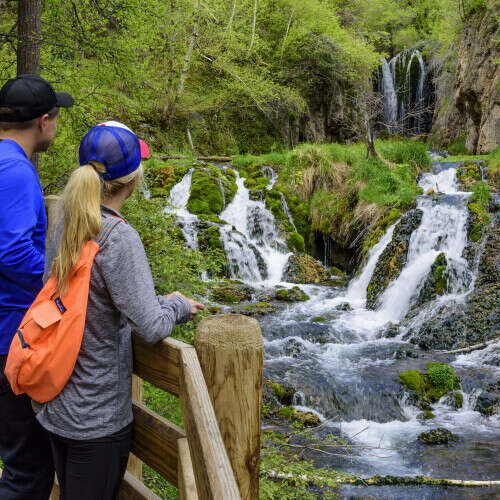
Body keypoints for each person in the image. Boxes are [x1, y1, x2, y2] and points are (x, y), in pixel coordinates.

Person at [35, 121, 204, 500]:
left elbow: (95, 303)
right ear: (132, 180)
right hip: (95, 420)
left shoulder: (66, 221)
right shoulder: (118, 237)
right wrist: (177, 304)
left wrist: (157, 302)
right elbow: (150, 326)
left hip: (59, 404)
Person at [0, 74, 74, 499]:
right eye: (56, 117)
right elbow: (11, 253)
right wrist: (58, 284)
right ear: (44, 121)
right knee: (27, 471)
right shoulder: (14, 170)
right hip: (8, 330)